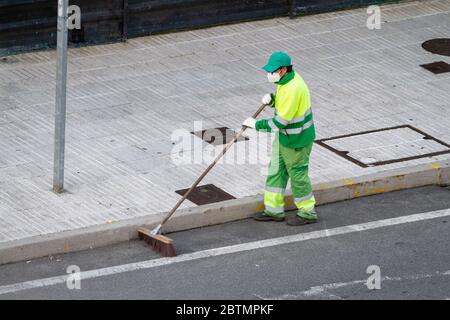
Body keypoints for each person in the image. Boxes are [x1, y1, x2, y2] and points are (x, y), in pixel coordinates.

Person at [242, 52, 317, 226]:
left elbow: (280, 122)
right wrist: (273, 100)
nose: (269, 74)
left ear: (283, 70)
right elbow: (285, 106)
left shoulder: (293, 87)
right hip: (285, 138)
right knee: (275, 171)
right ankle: (274, 210)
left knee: (298, 176)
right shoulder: (284, 81)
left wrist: (256, 125)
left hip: (297, 140)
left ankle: (307, 212)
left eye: (272, 71)